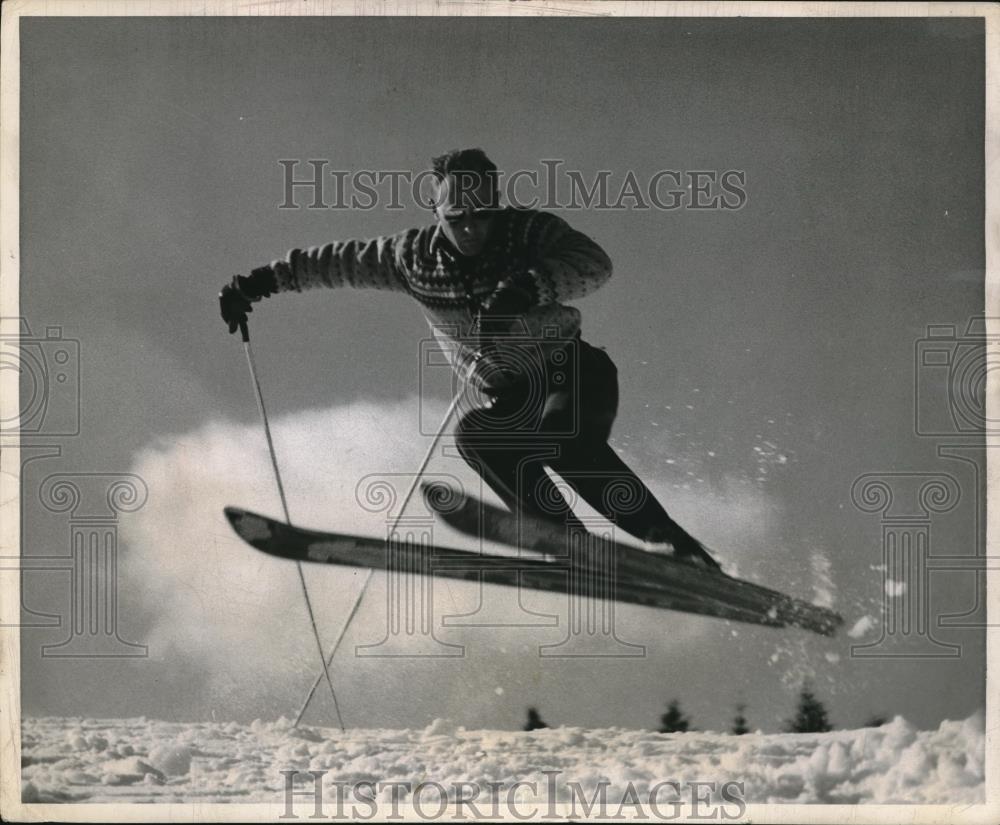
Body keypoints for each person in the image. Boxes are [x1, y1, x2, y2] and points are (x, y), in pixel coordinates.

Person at [219, 148, 718, 569]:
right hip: (510, 396)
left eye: (482, 215)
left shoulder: (528, 233)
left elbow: (595, 264)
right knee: (477, 434)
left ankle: (675, 543)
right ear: (435, 211)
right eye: (456, 218)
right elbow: (333, 262)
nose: (471, 229)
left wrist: (527, 286)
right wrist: (257, 284)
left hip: (573, 373)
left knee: (563, 438)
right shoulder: (410, 257)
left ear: (497, 206)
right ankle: (567, 541)